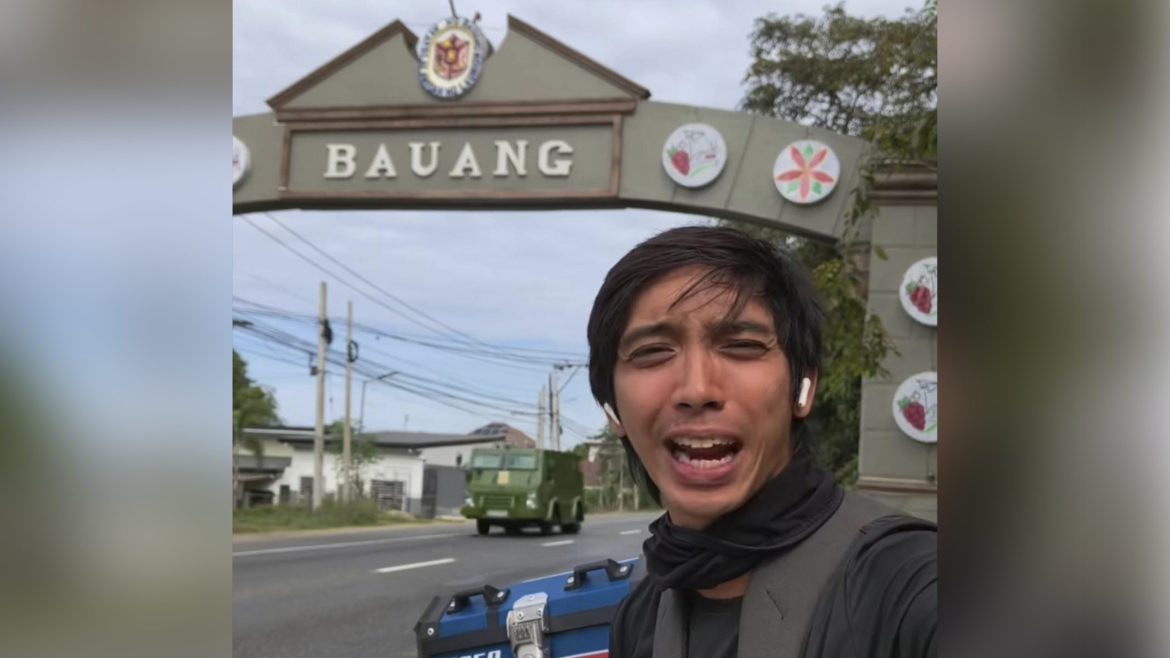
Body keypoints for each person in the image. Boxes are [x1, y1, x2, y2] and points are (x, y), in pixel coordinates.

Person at [586, 226, 936, 658]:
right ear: (612, 409)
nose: (696, 390)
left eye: (743, 345)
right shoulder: (641, 612)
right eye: (652, 352)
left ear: (803, 387)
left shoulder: (909, 583)